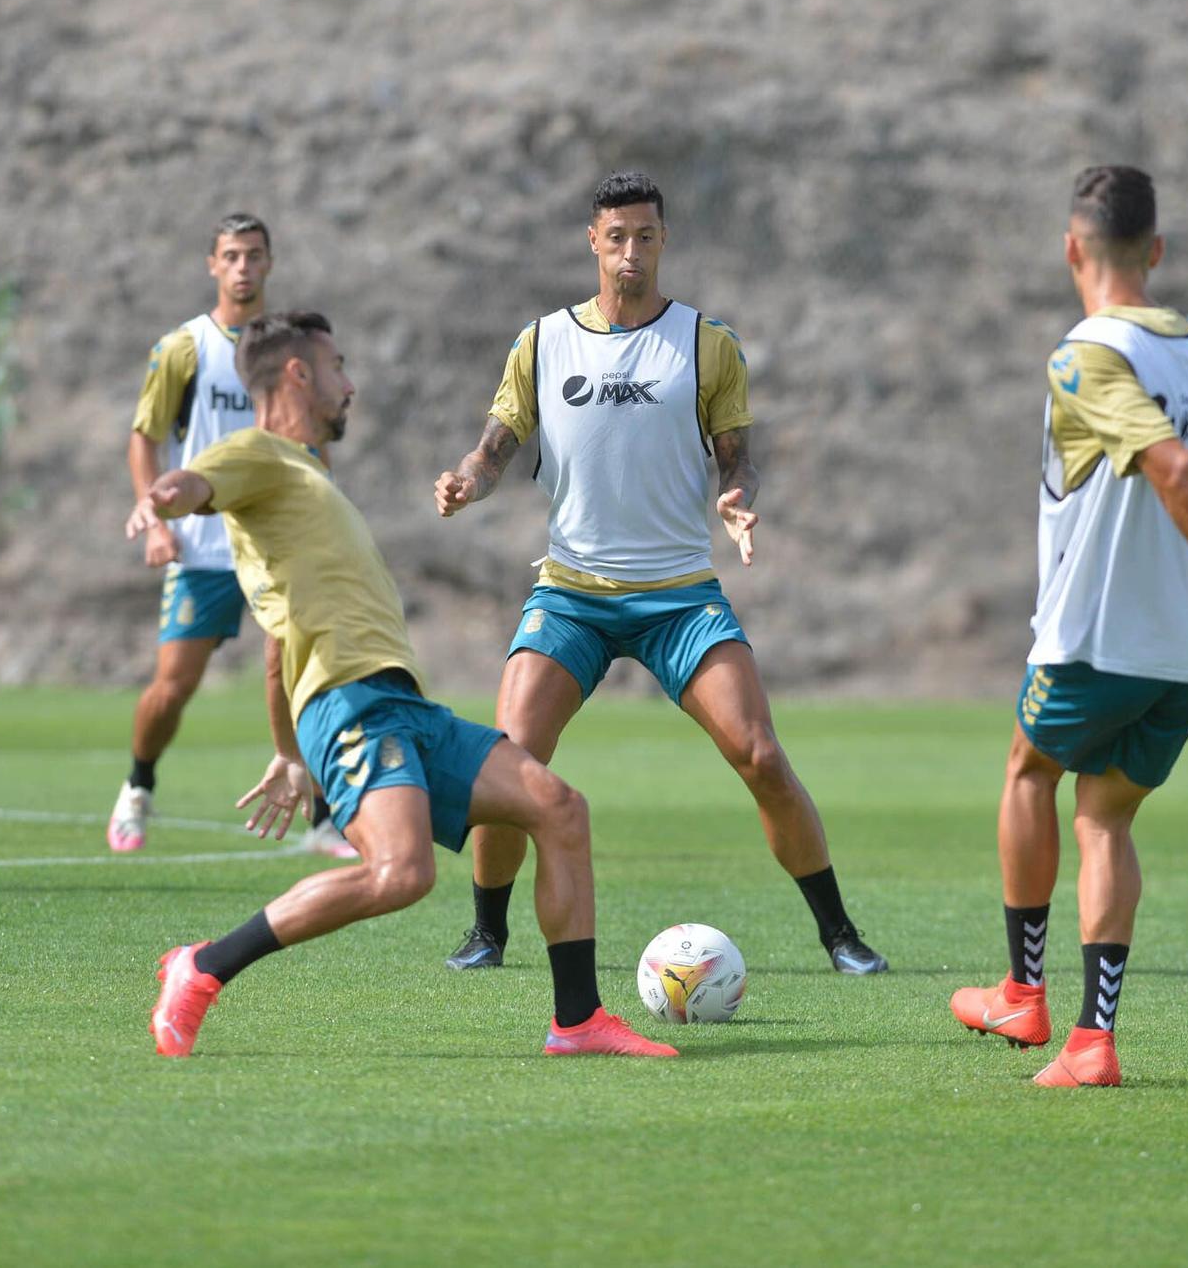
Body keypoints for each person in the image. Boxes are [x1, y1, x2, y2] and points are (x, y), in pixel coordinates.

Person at [130, 311, 674, 1059]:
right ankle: (202, 965)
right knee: (401, 873)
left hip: (401, 705)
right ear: (297, 374)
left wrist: (289, 750)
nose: (348, 384)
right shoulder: (257, 453)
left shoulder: (306, 480)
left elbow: (280, 639)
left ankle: (577, 1021)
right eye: (337, 366)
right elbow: (198, 481)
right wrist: (165, 495)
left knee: (558, 807)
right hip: (355, 706)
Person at [432, 171, 886, 975]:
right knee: (508, 756)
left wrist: (739, 498)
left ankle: (839, 931)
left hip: (679, 596)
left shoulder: (709, 342)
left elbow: (735, 456)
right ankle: (487, 934)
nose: (631, 251)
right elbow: (497, 442)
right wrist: (470, 476)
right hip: (573, 593)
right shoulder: (542, 340)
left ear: (664, 240)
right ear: (593, 243)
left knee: (762, 755)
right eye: (617, 237)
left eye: (645, 235)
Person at [949, 165, 1188, 1087]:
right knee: (1104, 817)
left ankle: (1023, 995)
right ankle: (1092, 1041)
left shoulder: (1085, 353)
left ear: (1072, 248)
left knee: (1028, 773)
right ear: (1157, 250)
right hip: (1185, 655)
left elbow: (1178, 473)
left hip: (1097, 634)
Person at [110, 213, 352, 858]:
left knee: (298, 674)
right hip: (205, 546)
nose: (243, 267)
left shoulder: (291, 351)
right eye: (231, 256)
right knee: (173, 685)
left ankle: (324, 814)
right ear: (212, 265)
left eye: (253, 255)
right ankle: (138, 786)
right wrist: (155, 519)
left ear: (269, 262)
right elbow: (146, 436)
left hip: (279, 542)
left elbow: (314, 434)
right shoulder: (185, 347)